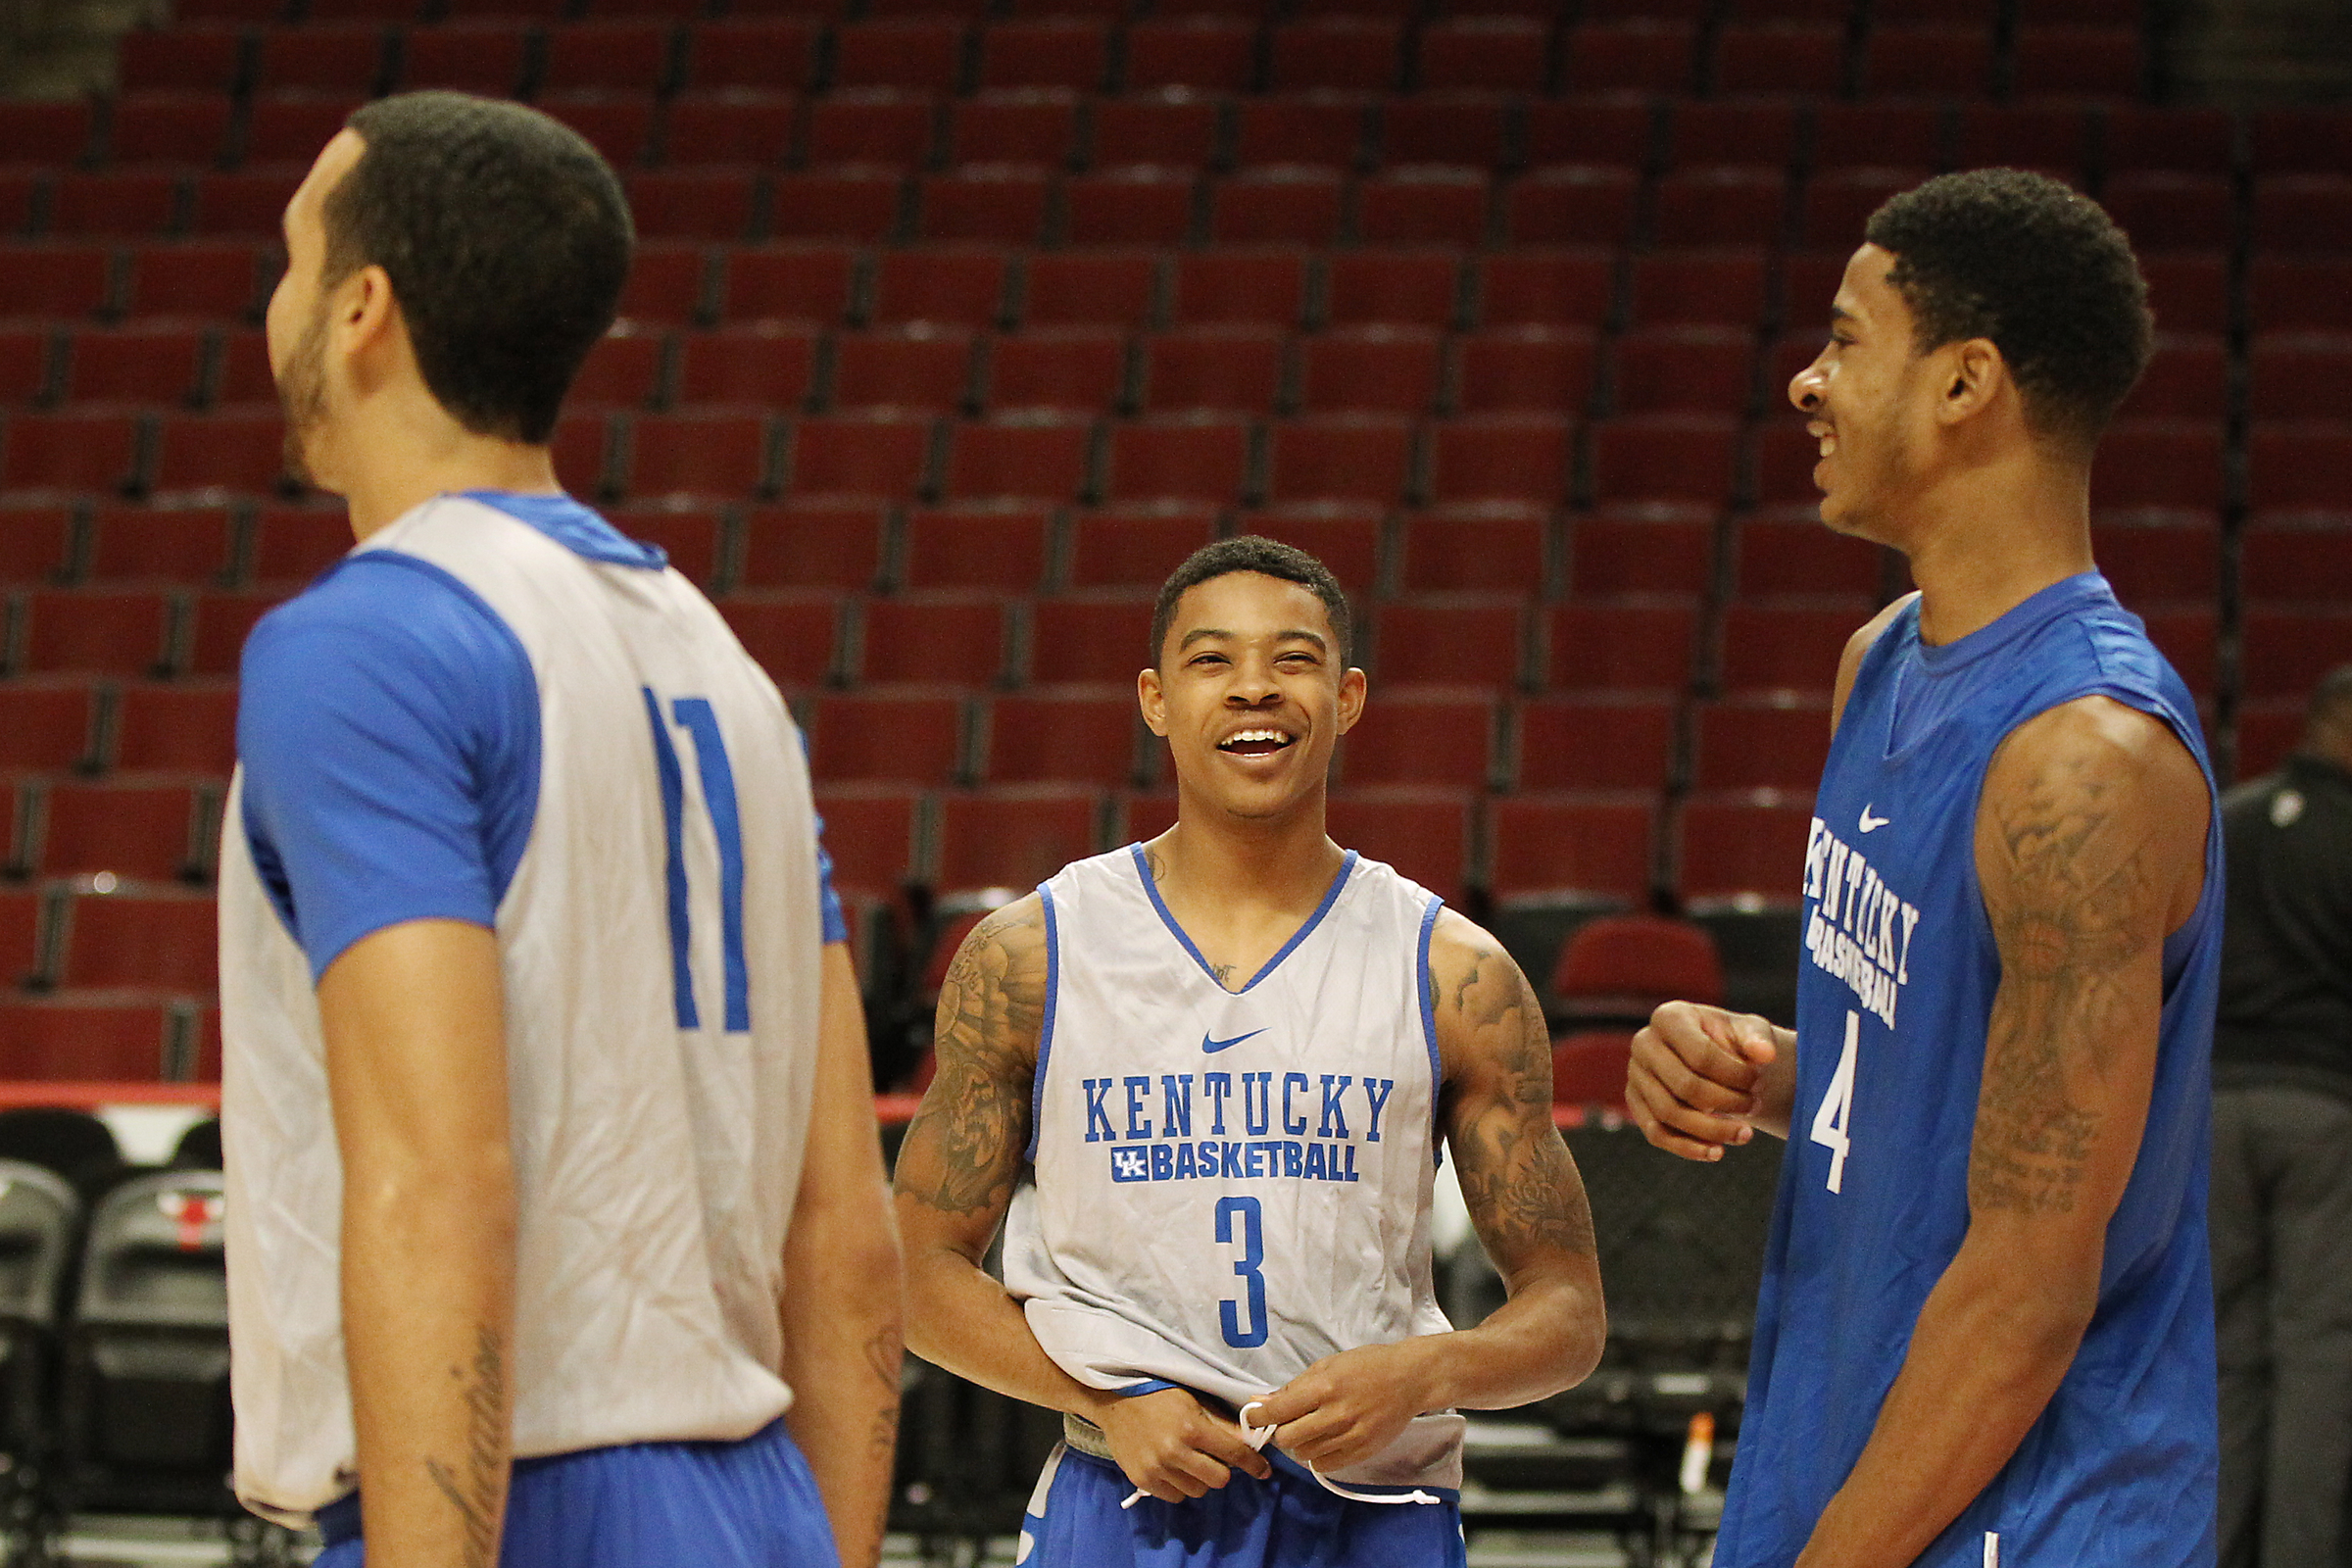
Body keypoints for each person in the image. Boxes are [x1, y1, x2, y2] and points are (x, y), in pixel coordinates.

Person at [220, 92, 902, 1568]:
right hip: (762, 1503)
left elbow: (435, 1189)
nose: (270, 307)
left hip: (505, 1508)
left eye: (288, 263)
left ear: (362, 311)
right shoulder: (733, 675)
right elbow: (847, 1241)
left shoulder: (361, 646)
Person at [1626, 168, 2224, 1566]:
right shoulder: (1879, 663)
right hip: (1847, 1443)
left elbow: (2029, 1279)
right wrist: (1761, 1072)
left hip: (2029, 1507)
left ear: (1965, 384)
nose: (1805, 382)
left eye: (1844, 339)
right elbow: (1934, 1077)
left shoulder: (2086, 756)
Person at [892, 536, 1605, 1567]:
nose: (1254, 689)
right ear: (1155, 697)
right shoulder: (1032, 955)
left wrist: (1427, 1370)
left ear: (1349, 695)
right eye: (1213, 660)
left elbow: (1569, 1309)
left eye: (1296, 659)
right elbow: (914, 1272)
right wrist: (1102, 1394)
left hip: (1377, 1505)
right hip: (1124, 1487)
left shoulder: (1455, 972)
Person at [2210, 665, 2352, 1568]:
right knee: (2320, 1349)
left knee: (2224, 1346)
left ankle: (2209, 1548)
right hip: (2325, 1113)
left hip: (2213, 1111)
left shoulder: (2227, 822)